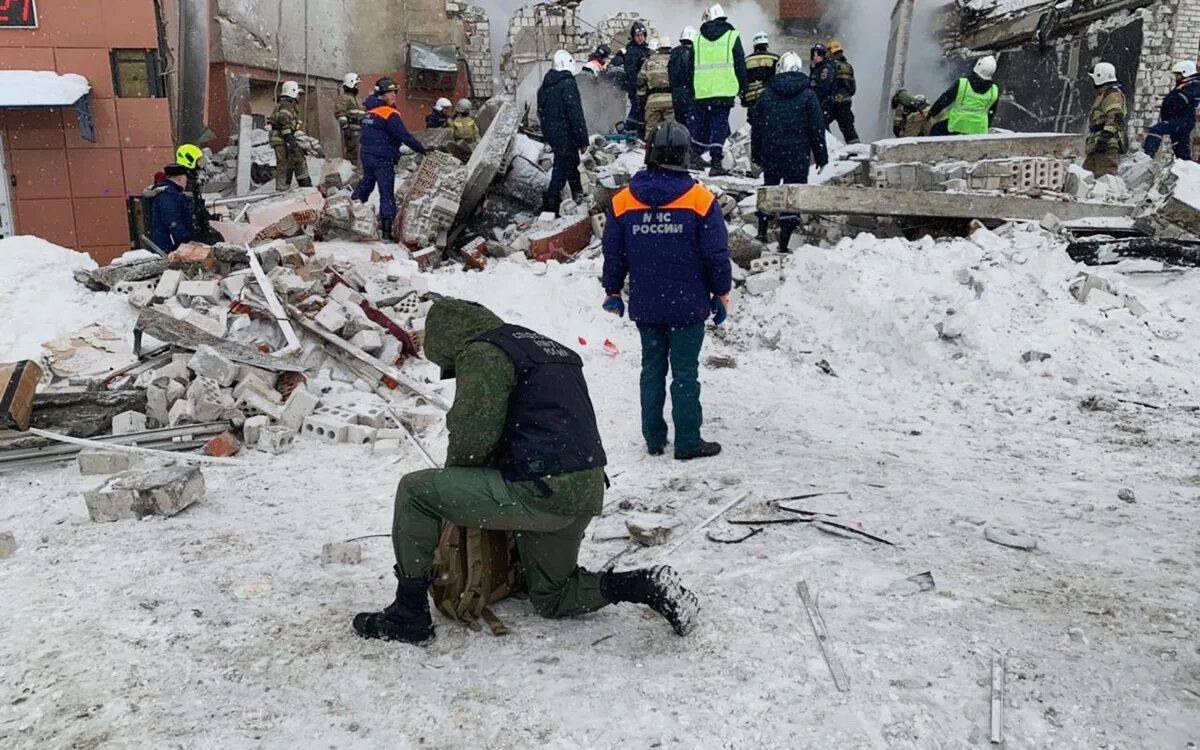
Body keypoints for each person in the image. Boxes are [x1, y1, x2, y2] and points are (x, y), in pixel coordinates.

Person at [352, 297, 700, 644]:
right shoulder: (547, 348)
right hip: (586, 490)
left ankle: (409, 612)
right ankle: (642, 584)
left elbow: (472, 439)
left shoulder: (482, 352)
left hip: (538, 489)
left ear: (448, 341)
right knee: (555, 596)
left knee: (416, 492)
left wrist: (452, 493)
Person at [601, 122, 732, 461]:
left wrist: (613, 290)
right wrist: (720, 292)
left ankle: (654, 438)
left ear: (650, 154)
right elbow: (715, 254)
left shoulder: (623, 200)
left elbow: (615, 253)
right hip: (688, 305)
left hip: (647, 304)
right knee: (685, 372)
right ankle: (688, 440)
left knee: (652, 369)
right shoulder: (701, 200)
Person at [752, 51, 828, 252]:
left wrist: (756, 153)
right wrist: (821, 155)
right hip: (797, 154)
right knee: (791, 196)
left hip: (772, 151)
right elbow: (817, 128)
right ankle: (784, 243)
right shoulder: (808, 95)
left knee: (769, 189)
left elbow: (757, 127)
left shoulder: (766, 94)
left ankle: (762, 231)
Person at [352, 77, 428, 240]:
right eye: (390, 92)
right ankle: (387, 231)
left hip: (367, 156)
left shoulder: (369, 112)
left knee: (366, 184)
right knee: (386, 192)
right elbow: (404, 136)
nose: (394, 95)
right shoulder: (389, 114)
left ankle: (350, 210)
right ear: (381, 94)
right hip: (382, 158)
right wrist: (423, 150)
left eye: (395, 92)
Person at [692, 4, 747, 176]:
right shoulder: (732, 36)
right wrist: (743, 87)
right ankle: (716, 162)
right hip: (724, 91)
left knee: (701, 123)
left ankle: (695, 156)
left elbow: (690, 67)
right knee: (719, 125)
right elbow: (740, 64)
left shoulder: (698, 39)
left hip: (702, 91)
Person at [537, 50, 589, 216]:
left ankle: (578, 195)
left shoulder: (544, 87)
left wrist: (548, 134)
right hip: (567, 134)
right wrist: (583, 140)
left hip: (553, 134)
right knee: (561, 168)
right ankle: (550, 206)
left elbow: (540, 113)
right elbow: (575, 112)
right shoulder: (567, 83)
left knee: (572, 163)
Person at [928, 56, 1000, 136]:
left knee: (936, 129)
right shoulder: (994, 90)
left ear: (978, 65)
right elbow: (991, 112)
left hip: (958, 124)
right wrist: (986, 127)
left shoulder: (962, 83)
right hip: (978, 129)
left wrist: (932, 112)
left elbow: (945, 99)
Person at [1143, 60, 1200, 160]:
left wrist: (1169, 100)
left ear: (1185, 73)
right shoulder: (1185, 85)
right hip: (1180, 121)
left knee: (1157, 129)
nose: (1175, 77)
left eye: (1177, 74)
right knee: (1180, 149)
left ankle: (1146, 156)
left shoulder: (1194, 85)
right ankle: (1188, 171)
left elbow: (1182, 99)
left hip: (1182, 121)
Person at [1084, 62, 1128, 178]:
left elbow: (1115, 118)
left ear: (1100, 77)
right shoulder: (1104, 94)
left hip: (1106, 146)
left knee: (1105, 179)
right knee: (1087, 177)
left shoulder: (1113, 95)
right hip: (1097, 145)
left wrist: (1105, 137)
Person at [173, 144, 224, 245]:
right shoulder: (185, 182)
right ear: (189, 159)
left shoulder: (190, 179)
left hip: (193, 228)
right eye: (198, 160)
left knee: (217, 238)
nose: (201, 164)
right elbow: (190, 210)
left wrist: (208, 218)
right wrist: (197, 233)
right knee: (216, 241)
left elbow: (197, 206)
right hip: (190, 232)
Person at [269, 81, 312, 190]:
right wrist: (289, 138)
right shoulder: (287, 104)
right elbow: (283, 120)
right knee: (284, 164)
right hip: (281, 139)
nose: (298, 96)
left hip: (283, 138)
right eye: (297, 93)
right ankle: (282, 189)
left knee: (297, 159)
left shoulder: (287, 103)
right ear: (292, 92)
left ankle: (305, 186)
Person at [148, 164, 194, 253]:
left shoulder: (167, 193)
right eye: (185, 180)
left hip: (166, 244)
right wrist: (186, 242)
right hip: (170, 247)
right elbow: (173, 222)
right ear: (180, 179)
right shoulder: (170, 195)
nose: (186, 183)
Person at [669, 26, 699, 160]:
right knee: (691, 125)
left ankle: (680, 153)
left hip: (676, 95)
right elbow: (691, 75)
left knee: (680, 125)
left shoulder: (673, 55)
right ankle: (691, 155)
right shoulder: (690, 54)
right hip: (688, 94)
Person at [638, 37, 675, 137]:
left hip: (653, 100)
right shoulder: (673, 60)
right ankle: (670, 148)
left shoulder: (648, 62)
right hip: (670, 99)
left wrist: (642, 96)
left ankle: (650, 148)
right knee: (671, 129)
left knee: (651, 129)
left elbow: (640, 80)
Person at [825, 40, 859, 144]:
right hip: (845, 103)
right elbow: (853, 89)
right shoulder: (848, 67)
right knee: (848, 129)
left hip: (832, 103)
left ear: (830, 51)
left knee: (820, 124)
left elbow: (826, 85)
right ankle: (856, 151)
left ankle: (829, 147)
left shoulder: (829, 65)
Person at [742, 31, 778, 127]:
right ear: (767, 44)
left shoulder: (746, 61)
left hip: (752, 100)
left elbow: (742, 80)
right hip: (770, 98)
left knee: (752, 125)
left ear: (754, 45)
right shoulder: (775, 59)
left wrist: (743, 97)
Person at [623, 22, 652, 137]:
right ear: (633, 37)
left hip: (647, 87)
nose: (640, 38)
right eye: (637, 35)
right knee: (637, 109)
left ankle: (639, 131)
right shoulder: (631, 51)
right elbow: (631, 72)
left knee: (643, 110)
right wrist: (637, 84)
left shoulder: (647, 50)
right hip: (635, 87)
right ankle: (631, 131)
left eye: (642, 35)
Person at [335, 73, 366, 165]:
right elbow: (340, 113)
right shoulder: (344, 98)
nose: (357, 87)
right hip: (352, 130)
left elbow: (362, 111)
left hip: (360, 129)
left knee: (363, 152)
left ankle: (359, 171)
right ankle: (350, 171)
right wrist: (345, 127)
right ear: (351, 84)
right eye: (356, 85)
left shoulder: (357, 98)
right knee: (353, 153)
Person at [810, 43, 835, 125]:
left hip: (823, 103)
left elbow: (824, 88)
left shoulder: (825, 68)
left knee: (822, 126)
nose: (815, 56)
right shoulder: (815, 68)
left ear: (823, 55)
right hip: (815, 102)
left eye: (818, 54)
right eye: (814, 53)